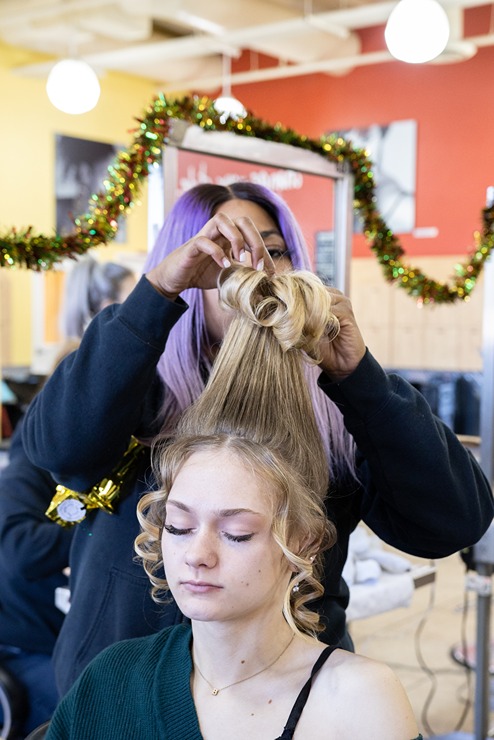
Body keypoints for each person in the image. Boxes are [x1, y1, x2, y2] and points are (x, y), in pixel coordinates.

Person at [21, 182, 494, 699]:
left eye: (274, 251)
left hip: (285, 697)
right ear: (184, 267)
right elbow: (57, 450)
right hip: (127, 694)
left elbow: (453, 522)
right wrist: (153, 296)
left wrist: (363, 381)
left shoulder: (337, 413)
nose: (256, 268)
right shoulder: (135, 390)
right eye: (223, 252)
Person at [45, 264, 421, 739]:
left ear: (303, 542)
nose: (197, 555)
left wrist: (363, 379)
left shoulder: (359, 704)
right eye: (178, 527)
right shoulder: (109, 682)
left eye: (236, 533)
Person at [0, 257, 135, 735]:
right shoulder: (33, 460)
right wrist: (96, 539)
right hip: (26, 644)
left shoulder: (121, 456)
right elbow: (18, 548)